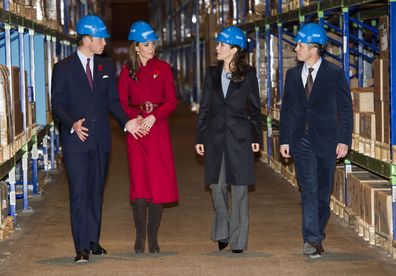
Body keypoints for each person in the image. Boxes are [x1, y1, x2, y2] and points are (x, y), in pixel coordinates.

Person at [51, 15, 145, 263]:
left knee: (96, 192)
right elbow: (57, 104)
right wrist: (72, 122)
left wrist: (127, 123)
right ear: (88, 39)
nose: (105, 42)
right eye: (101, 38)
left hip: (101, 141)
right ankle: (80, 246)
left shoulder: (104, 66)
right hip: (76, 141)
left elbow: (113, 101)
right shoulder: (63, 68)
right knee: (79, 192)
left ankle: (93, 240)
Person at [279, 23, 353, 258]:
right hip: (301, 140)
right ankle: (311, 239)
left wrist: (343, 139)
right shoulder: (292, 75)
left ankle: (317, 232)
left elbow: (345, 109)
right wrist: (284, 140)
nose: (296, 49)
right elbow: (287, 110)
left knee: (323, 192)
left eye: (300, 45)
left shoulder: (334, 74)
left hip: (327, 140)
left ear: (313, 48)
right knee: (308, 190)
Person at [195, 26, 262, 254]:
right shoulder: (211, 73)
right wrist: (200, 136)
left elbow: (254, 108)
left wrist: (256, 136)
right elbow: (204, 107)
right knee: (216, 186)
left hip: (240, 136)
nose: (217, 47)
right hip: (214, 137)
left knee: (240, 189)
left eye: (222, 44)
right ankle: (223, 229)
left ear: (234, 49)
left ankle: (238, 241)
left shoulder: (249, 74)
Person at [118, 20, 179, 254]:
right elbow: (121, 103)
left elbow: (172, 100)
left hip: (158, 130)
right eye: (146, 44)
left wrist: (154, 117)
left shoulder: (163, 68)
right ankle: (139, 236)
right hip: (136, 132)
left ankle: (153, 237)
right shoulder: (126, 73)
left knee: (158, 184)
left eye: (153, 43)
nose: (151, 47)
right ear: (136, 47)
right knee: (140, 184)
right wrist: (135, 119)